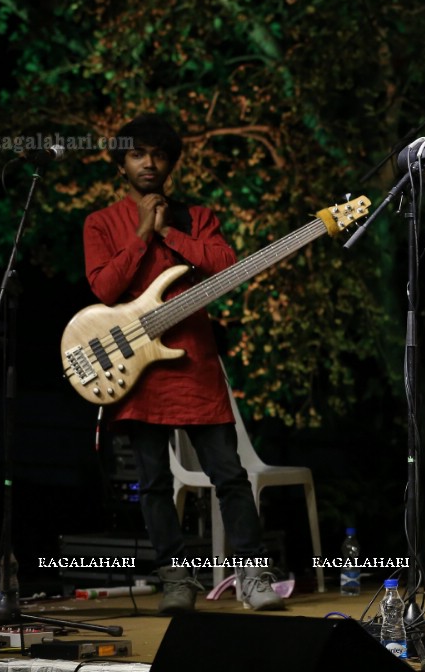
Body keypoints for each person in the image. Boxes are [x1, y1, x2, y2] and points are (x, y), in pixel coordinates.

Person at [83, 114, 284, 614]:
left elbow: (225, 265)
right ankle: (177, 579)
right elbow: (105, 289)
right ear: (122, 163)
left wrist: (169, 231)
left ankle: (253, 576)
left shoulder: (196, 218)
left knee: (229, 476)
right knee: (152, 482)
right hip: (138, 371)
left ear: (170, 162)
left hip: (195, 365)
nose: (148, 162)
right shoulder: (101, 222)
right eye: (137, 153)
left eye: (158, 154)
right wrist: (139, 237)